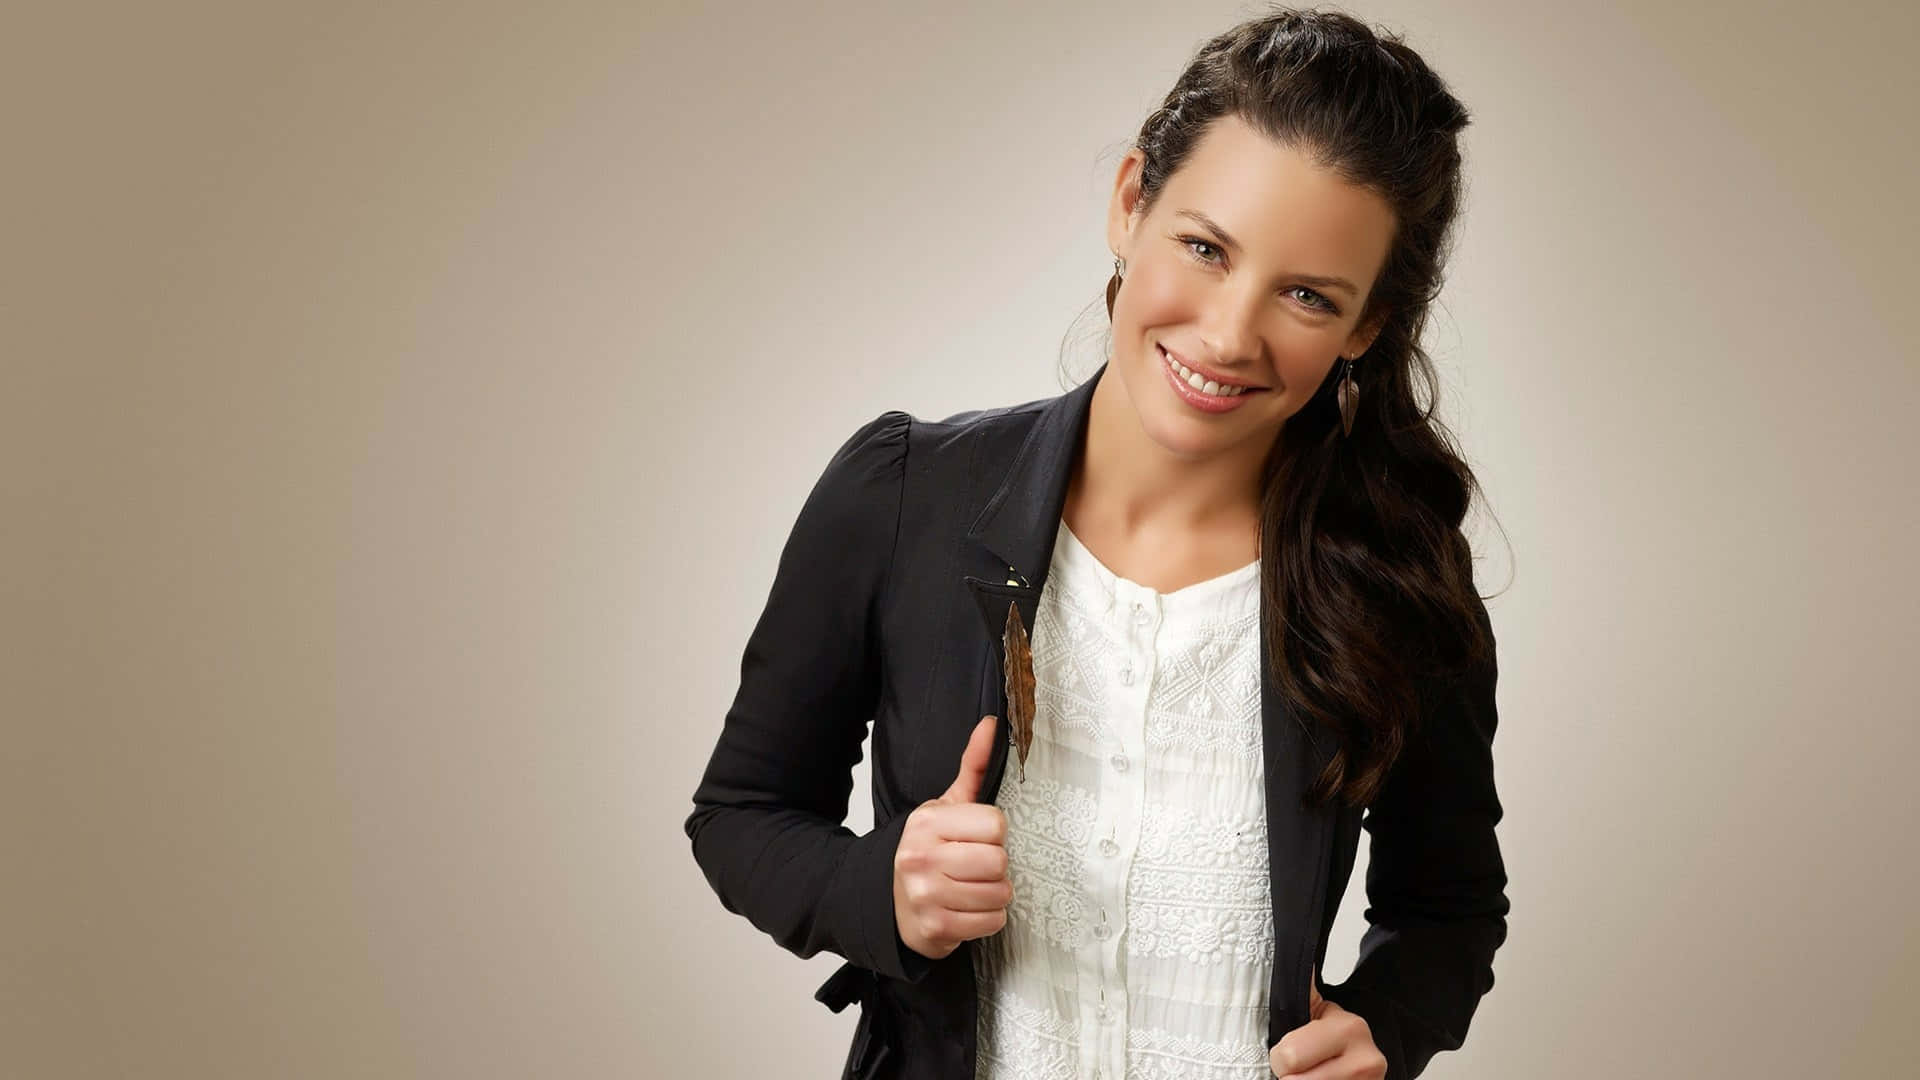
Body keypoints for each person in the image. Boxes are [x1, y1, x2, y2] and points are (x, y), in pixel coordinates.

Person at [685, 7, 1509, 1079]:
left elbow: (1449, 911)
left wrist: (1386, 1033)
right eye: (1205, 248)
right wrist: (882, 889)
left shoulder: (1398, 578)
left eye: (1307, 296)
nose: (1227, 335)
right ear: (1132, 201)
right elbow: (742, 815)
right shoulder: (900, 498)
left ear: (1365, 329)